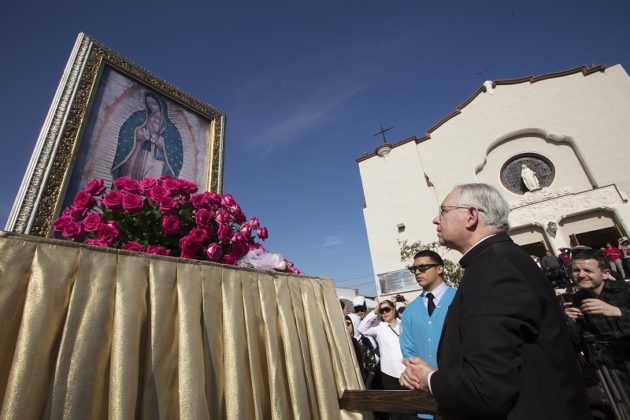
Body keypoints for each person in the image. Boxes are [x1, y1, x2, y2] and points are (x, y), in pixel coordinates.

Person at [399, 183, 590, 419]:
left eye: (443, 211)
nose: (435, 220)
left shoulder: (492, 267)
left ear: (471, 216)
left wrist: (430, 378)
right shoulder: (500, 259)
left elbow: (485, 385)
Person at [564, 249, 630, 401]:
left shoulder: (625, 290)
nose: (580, 275)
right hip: (610, 370)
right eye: (576, 270)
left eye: (588, 270)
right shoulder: (576, 299)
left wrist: (618, 312)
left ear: (605, 273)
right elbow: (577, 342)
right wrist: (572, 323)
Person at [399, 250, 456, 420]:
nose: (417, 272)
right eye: (414, 269)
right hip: (425, 397)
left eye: (423, 267)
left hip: (458, 390)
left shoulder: (460, 298)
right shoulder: (410, 311)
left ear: (440, 269)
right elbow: (408, 350)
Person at [358, 300, 417, 420]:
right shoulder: (378, 327)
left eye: (387, 310)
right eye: (382, 311)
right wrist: (375, 310)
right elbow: (361, 328)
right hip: (389, 374)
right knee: (395, 410)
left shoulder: (404, 324)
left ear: (394, 309)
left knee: (411, 408)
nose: (384, 313)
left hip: (407, 371)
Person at [111, 92, 184, 180]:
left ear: (161, 104)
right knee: (131, 178)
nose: (151, 106)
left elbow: (175, 149)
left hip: (155, 162)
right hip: (137, 155)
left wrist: (157, 139)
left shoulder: (170, 127)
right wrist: (140, 133)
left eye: (154, 103)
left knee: (150, 183)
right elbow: (126, 131)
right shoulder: (139, 116)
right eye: (149, 103)